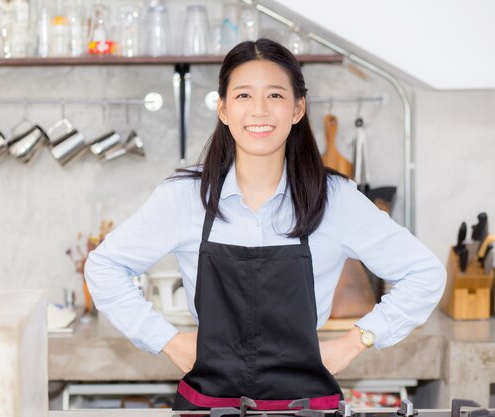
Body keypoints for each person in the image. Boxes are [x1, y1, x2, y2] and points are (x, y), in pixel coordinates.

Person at [84, 38, 446, 410]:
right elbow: (104, 266)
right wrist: (167, 340)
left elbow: (425, 274)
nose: (259, 110)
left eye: (274, 96)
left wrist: (354, 342)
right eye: (243, 96)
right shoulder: (185, 197)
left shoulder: (334, 198)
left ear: (297, 108)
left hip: (307, 406)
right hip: (210, 405)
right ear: (223, 110)